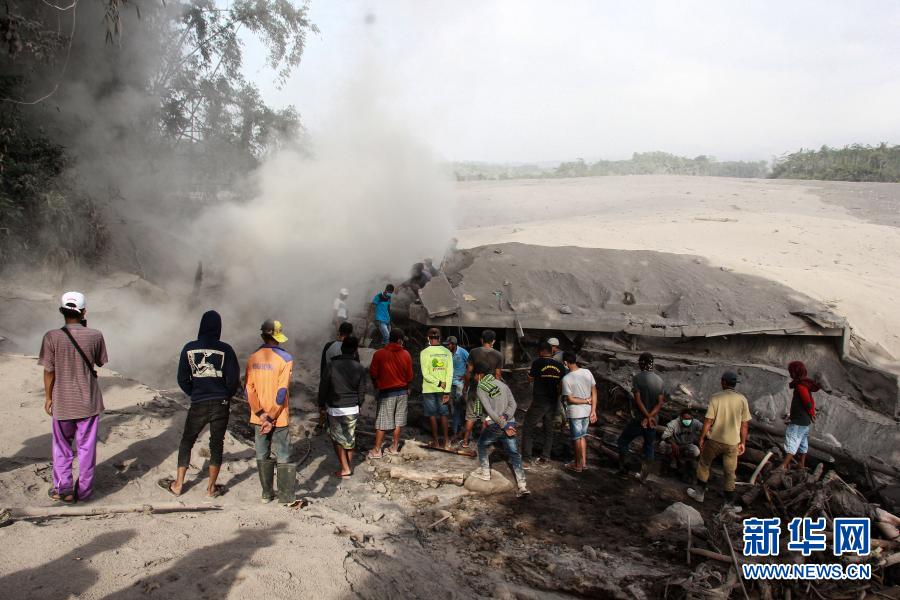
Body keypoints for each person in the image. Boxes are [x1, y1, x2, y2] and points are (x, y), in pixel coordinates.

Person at [160, 310, 240, 498]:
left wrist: (194, 393)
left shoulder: (189, 348)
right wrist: (226, 395)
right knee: (216, 444)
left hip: (199, 403)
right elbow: (233, 380)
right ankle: (211, 489)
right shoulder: (226, 349)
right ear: (218, 327)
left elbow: (182, 378)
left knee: (187, 440)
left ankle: (178, 484)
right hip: (220, 403)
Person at [38, 291, 108, 503]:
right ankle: (85, 492)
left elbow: (49, 371)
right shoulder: (95, 335)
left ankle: (64, 489)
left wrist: (48, 397)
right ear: (84, 311)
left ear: (62, 311)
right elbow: (100, 362)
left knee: (62, 446)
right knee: (86, 448)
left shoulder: (51, 337)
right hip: (88, 401)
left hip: (63, 401)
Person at [246, 320, 295, 504]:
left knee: (261, 453)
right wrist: (272, 416)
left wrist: (261, 414)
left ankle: (266, 494)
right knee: (283, 453)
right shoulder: (286, 359)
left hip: (258, 417)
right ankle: (286, 496)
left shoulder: (253, 358)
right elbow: (282, 392)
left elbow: (248, 389)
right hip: (279, 417)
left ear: (262, 336)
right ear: (277, 337)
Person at [687, 371, 750, 512]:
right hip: (732, 443)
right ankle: (728, 504)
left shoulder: (715, 398)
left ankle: (699, 494)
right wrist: (743, 443)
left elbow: (708, 421)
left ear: (723, 382)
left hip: (715, 440)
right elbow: (745, 424)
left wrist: (702, 437)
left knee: (704, 464)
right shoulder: (742, 400)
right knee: (730, 472)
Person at [470, 366, 530, 497]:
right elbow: (513, 404)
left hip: (497, 425)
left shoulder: (481, 387)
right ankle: (522, 486)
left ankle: (485, 473)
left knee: (481, 445)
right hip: (509, 422)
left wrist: (503, 424)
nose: (474, 379)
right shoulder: (503, 385)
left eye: (474, 376)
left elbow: (490, 412)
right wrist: (507, 419)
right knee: (514, 454)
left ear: (480, 375)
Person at [319, 336, 366, 479]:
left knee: (336, 438)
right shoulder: (359, 367)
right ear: (356, 349)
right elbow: (362, 391)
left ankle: (345, 468)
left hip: (335, 408)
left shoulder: (331, 366)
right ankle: (347, 465)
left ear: (342, 348)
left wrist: (321, 404)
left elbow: (324, 387)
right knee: (349, 438)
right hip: (352, 408)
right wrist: (359, 404)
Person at [617, 352, 665, 478]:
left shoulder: (637, 378)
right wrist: (651, 417)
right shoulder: (660, 380)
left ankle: (625, 470)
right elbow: (660, 402)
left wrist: (646, 417)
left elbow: (638, 401)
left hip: (640, 419)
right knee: (649, 446)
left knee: (623, 442)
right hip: (653, 421)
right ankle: (644, 475)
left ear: (641, 363)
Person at [368, 328, 414, 458]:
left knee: (382, 422)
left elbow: (373, 373)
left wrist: (376, 385)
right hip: (403, 392)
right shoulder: (406, 354)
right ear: (399, 340)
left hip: (387, 393)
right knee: (398, 421)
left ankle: (377, 450)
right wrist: (408, 387)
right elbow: (410, 376)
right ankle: (394, 448)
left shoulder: (379, 354)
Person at [522, 342, 565, 467]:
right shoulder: (560, 365)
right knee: (548, 430)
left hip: (540, 400)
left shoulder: (538, 362)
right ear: (551, 351)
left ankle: (526, 459)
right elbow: (561, 385)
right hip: (553, 401)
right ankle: (545, 458)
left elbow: (530, 379)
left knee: (528, 427)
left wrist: (529, 377)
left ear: (541, 351)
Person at [460, 330, 504, 448]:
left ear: (481, 340)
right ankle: (482, 443)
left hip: (475, 388)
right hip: (489, 390)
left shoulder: (474, 352)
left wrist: (465, 388)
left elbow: (468, 372)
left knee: (470, 416)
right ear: (493, 341)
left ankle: (465, 442)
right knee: (486, 416)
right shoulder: (498, 355)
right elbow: (498, 376)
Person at [560, 352, 598, 473]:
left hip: (575, 412)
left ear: (565, 362)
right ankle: (584, 464)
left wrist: (585, 401)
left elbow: (570, 399)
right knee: (582, 437)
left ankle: (577, 465)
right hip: (587, 411)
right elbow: (594, 392)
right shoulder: (587, 372)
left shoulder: (566, 378)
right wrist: (593, 410)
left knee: (576, 438)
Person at [779, 360, 819, 471]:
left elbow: (807, 401)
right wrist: (812, 413)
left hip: (799, 420)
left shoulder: (800, 386)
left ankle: (783, 466)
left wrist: (811, 412)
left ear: (795, 372)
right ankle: (801, 464)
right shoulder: (805, 384)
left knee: (792, 440)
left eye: (791, 372)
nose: (790, 374)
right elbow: (811, 401)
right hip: (804, 420)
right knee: (802, 442)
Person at [420, 328, 453, 449]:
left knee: (432, 415)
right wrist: (447, 390)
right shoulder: (447, 352)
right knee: (444, 414)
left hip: (429, 389)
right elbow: (450, 373)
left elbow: (425, 374)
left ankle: (436, 442)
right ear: (440, 338)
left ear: (428, 338)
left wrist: (438, 383)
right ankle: (446, 442)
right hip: (443, 390)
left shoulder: (424, 352)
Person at [658, 409, 703, 482]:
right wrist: (673, 443)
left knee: (696, 451)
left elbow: (705, 429)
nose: (687, 420)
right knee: (662, 444)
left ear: (692, 418)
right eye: (685, 418)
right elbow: (664, 436)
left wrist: (702, 440)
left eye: (689, 419)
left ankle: (684, 462)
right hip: (675, 444)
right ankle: (667, 462)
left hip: (687, 445)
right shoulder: (674, 423)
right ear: (681, 417)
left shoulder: (695, 422)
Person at [445, 336, 469, 440]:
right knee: (452, 407)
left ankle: (462, 429)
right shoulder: (446, 353)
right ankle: (455, 429)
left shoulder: (463, 352)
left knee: (461, 406)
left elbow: (471, 364)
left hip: (460, 383)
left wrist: (465, 375)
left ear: (454, 344)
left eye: (449, 344)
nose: (447, 346)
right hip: (449, 383)